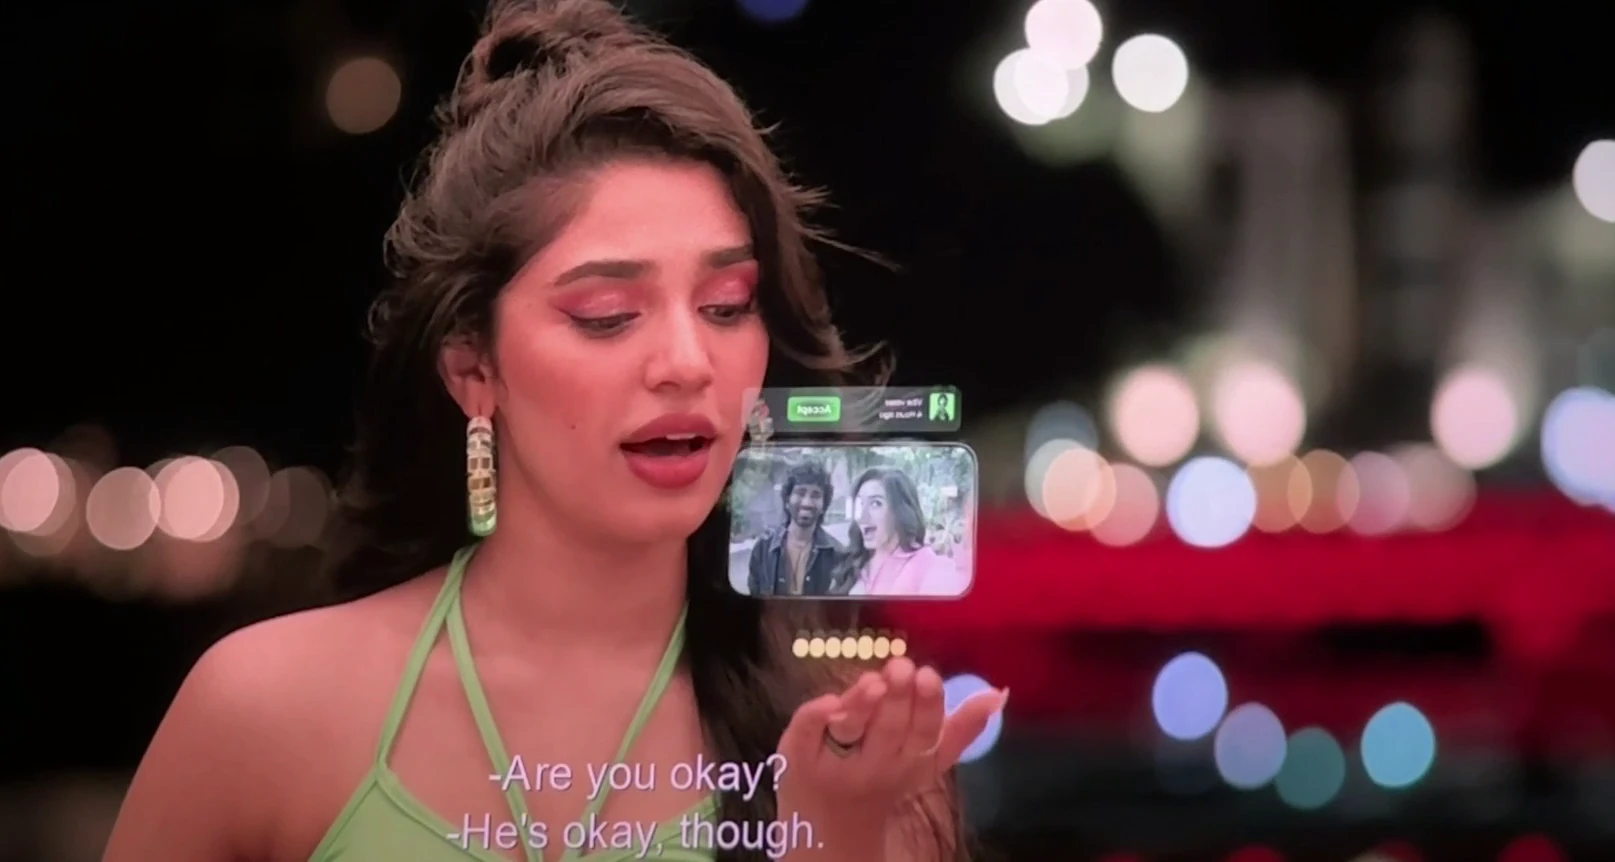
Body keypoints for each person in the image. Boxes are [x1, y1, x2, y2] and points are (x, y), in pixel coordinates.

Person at [102, 2, 1003, 862]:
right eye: (608, 314)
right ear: (473, 371)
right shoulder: (264, 711)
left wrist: (835, 834)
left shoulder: (855, 746)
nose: (687, 361)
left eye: (727, 305)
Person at [833, 467, 964, 598]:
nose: (862, 517)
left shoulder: (932, 568)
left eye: (876, 503)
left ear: (900, 511)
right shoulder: (853, 561)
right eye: (861, 504)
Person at [746, 459, 846, 596]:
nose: (807, 503)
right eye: (800, 492)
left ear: (824, 505)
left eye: (816, 495)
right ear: (787, 500)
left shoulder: (838, 555)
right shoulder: (762, 549)